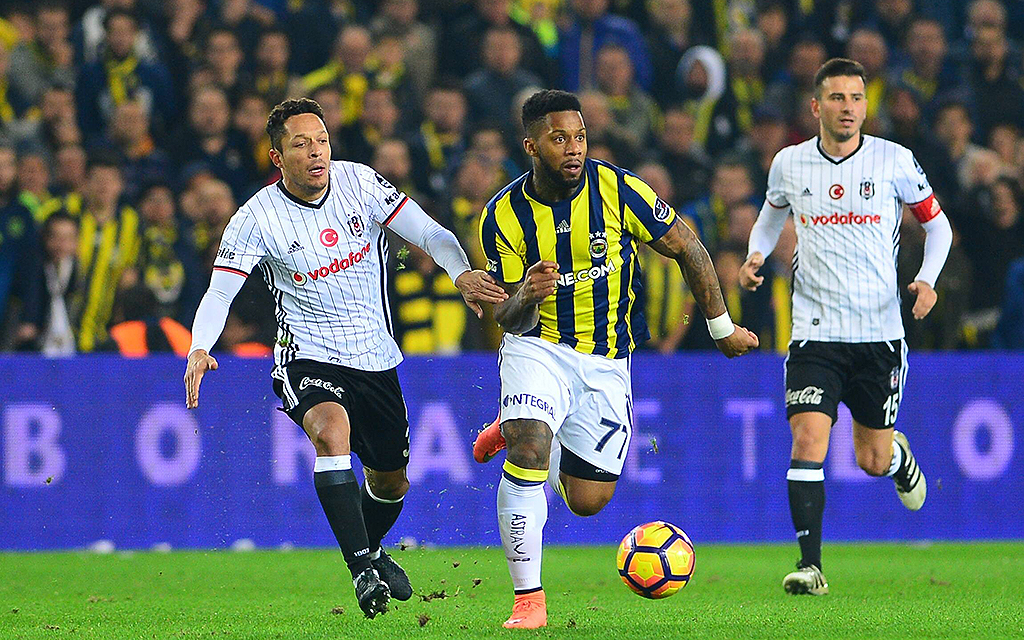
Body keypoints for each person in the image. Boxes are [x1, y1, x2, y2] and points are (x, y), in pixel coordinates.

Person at [182, 98, 506, 618]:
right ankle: (361, 572)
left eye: (322, 141)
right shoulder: (256, 218)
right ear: (276, 157)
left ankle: (371, 551)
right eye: (301, 144)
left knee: (392, 482)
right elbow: (220, 293)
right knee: (332, 433)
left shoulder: (360, 182)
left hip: (375, 358)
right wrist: (200, 345)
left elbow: (426, 232)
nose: (316, 153)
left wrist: (459, 272)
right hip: (306, 357)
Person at [473, 89, 759, 629]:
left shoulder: (619, 189)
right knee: (530, 449)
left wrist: (721, 328)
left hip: (607, 360)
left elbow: (688, 247)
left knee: (587, 500)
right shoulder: (503, 216)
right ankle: (528, 601)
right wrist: (525, 297)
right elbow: (507, 320)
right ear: (531, 144)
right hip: (539, 348)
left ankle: (518, 425)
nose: (573, 148)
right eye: (559, 139)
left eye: (579, 136)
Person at [739, 59, 953, 596]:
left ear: (865, 104)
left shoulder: (894, 160)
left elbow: (938, 226)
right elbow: (770, 215)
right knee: (808, 437)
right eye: (836, 98)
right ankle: (810, 566)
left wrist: (927, 281)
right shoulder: (789, 164)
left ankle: (898, 457)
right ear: (816, 106)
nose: (848, 108)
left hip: (879, 336)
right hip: (814, 333)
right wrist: (754, 256)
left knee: (871, 459)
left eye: (856, 98)